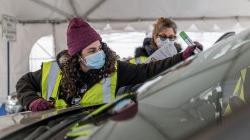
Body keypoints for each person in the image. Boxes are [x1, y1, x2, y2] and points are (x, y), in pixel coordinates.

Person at [16, 18, 203, 112]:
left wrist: (182, 56)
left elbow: (147, 70)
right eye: (91, 51)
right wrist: (31, 100)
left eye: (100, 47)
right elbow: (23, 83)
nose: (99, 54)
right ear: (76, 56)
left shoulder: (115, 69)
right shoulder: (53, 70)